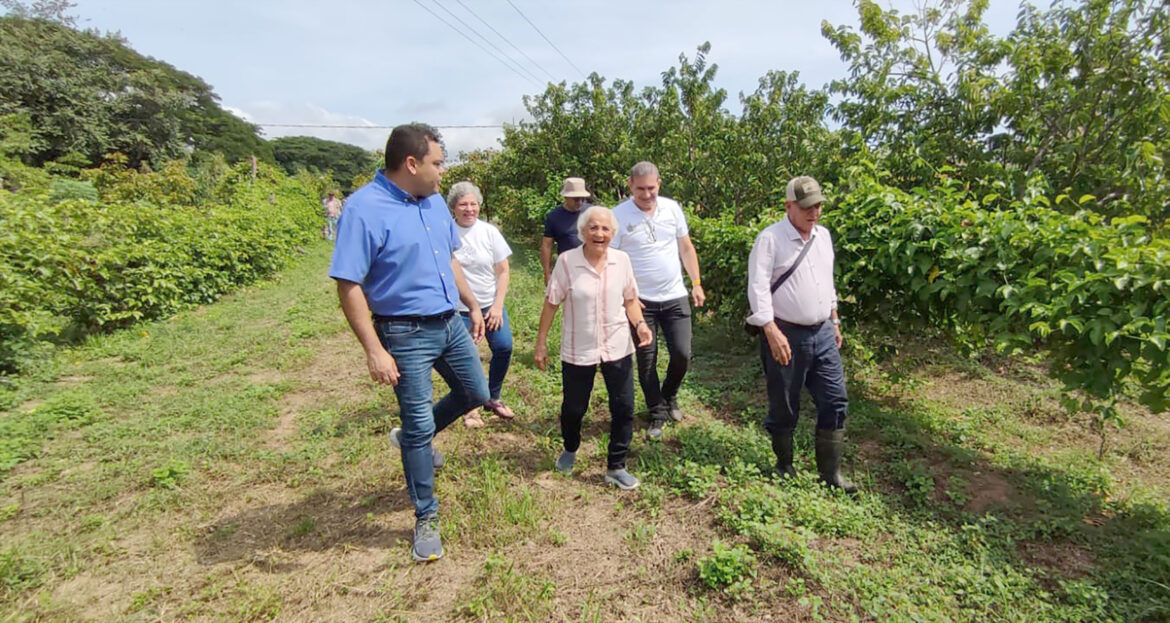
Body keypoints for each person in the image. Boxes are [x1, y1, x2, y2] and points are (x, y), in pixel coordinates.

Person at [329, 123, 490, 562]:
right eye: (437, 163)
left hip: (450, 322)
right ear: (412, 163)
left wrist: (472, 304)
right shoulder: (363, 209)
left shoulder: (435, 202)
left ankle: (411, 439)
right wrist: (373, 349)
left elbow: (450, 258)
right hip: (404, 333)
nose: (443, 173)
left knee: (477, 392)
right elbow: (348, 284)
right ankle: (425, 516)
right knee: (419, 424)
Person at [745, 175, 856, 494]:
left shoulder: (823, 237)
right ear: (788, 206)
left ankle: (830, 475)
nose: (814, 212)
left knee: (835, 401)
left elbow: (826, 280)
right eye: (807, 207)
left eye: (818, 205)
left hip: (822, 332)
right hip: (785, 333)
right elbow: (758, 288)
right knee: (785, 403)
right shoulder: (770, 239)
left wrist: (834, 319)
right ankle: (784, 465)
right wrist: (770, 330)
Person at [534, 205, 653, 490]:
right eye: (593, 228)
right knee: (574, 408)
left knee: (624, 407)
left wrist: (640, 325)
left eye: (605, 229)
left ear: (613, 233)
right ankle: (570, 448)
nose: (599, 234)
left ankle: (616, 465)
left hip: (617, 345)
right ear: (583, 232)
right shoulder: (567, 261)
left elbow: (630, 301)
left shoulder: (622, 261)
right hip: (579, 347)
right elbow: (552, 303)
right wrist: (540, 344)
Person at [610, 162, 704, 441]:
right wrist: (626, 297)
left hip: (675, 295)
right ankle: (657, 411)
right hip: (641, 302)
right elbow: (613, 261)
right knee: (647, 359)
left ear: (659, 184)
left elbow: (686, 247)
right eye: (641, 189)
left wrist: (696, 283)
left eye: (652, 188)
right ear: (630, 186)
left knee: (682, 354)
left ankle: (670, 394)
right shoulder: (618, 216)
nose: (647, 194)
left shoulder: (672, 208)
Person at [447, 181, 516, 427]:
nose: (469, 209)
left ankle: (492, 396)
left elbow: (503, 271)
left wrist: (497, 307)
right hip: (458, 309)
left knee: (503, 346)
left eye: (473, 204)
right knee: (467, 357)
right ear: (453, 207)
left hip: (489, 303)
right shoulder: (446, 231)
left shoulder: (489, 232)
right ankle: (471, 406)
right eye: (463, 204)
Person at [540, 177, 591, 283]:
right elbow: (547, 245)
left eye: (583, 199)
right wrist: (547, 273)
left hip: (591, 266)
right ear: (566, 197)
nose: (580, 202)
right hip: (568, 268)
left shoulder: (592, 211)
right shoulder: (554, 217)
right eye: (576, 199)